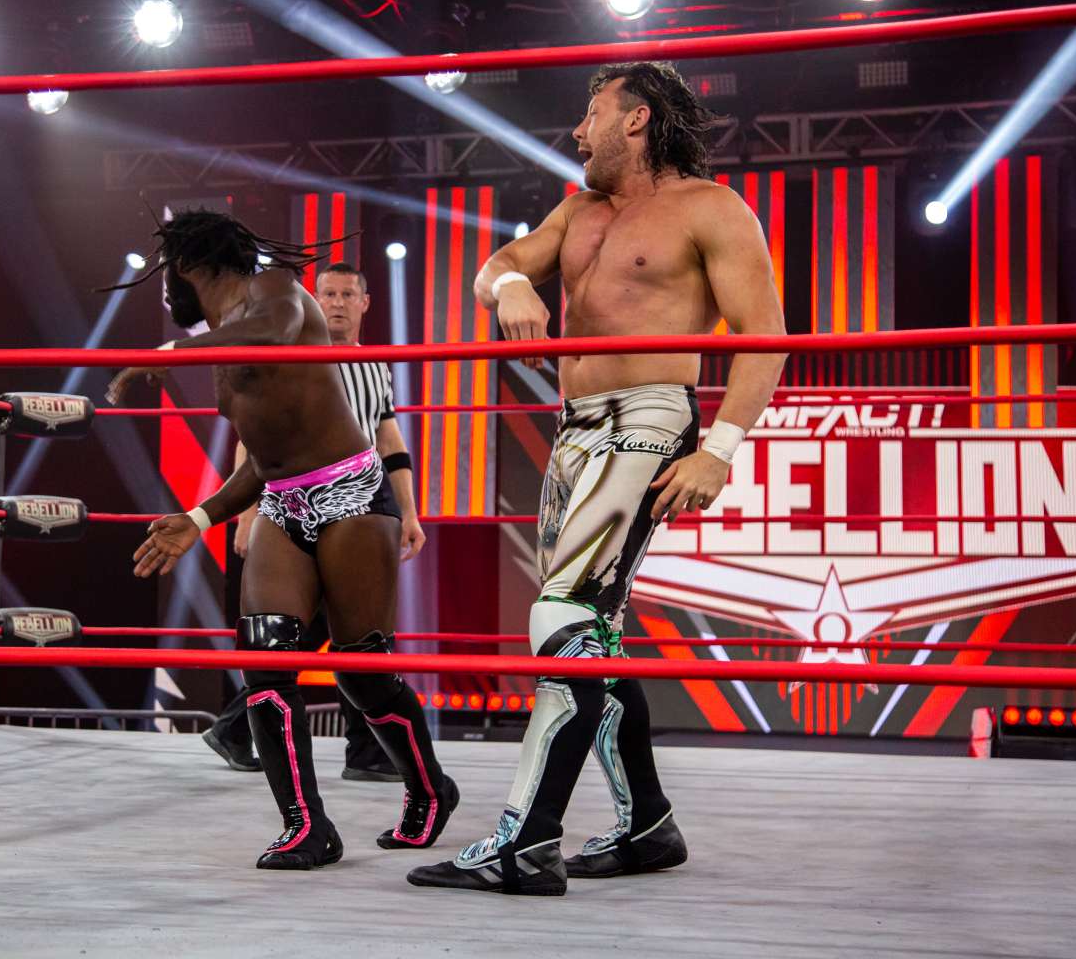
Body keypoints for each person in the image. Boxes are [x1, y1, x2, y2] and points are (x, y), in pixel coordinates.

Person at [407, 62, 786, 895]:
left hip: (650, 416)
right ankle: (647, 823)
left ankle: (525, 840)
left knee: (564, 614)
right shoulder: (578, 211)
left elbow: (766, 334)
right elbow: (498, 264)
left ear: (636, 120)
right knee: (593, 635)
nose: (578, 131)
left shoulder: (710, 209)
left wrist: (718, 450)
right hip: (574, 429)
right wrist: (512, 284)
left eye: (592, 112)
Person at [117, 211, 458, 871]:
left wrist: (172, 352)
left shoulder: (272, 290)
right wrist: (200, 518)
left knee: (361, 670)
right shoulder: (224, 335)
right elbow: (263, 458)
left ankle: (429, 789)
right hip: (281, 500)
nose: (166, 292)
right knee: (265, 662)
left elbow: (272, 331)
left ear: (186, 267)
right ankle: (307, 827)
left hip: (352, 493)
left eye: (166, 275)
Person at [198, 261, 427, 780]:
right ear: (314, 300)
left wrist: (408, 511)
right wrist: (247, 516)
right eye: (328, 293)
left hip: (360, 505)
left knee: (342, 628)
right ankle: (360, 752)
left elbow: (389, 440)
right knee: (341, 630)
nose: (337, 303)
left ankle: (241, 729)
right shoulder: (294, 355)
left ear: (365, 303)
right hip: (299, 507)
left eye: (348, 294)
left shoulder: (375, 365)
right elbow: (253, 437)